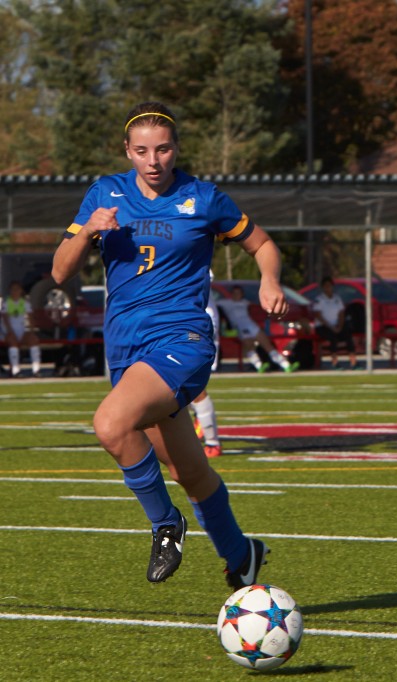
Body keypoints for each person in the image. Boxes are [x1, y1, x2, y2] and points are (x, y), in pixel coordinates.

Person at [51, 101, 278, 589]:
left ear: (176, 149)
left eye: (163, 149)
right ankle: (242, 556)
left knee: (111, 424)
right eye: (142, 151)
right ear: (127, 152)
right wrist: (89, 229)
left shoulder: (203, 197)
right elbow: (60, 271)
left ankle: (165, 525)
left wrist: (271, 282)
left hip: (182, 339)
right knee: (189, 471)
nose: (153, 160)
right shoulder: (104, 193)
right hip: (126, 348)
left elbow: (262, 243)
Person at [218, 284, 299, 373]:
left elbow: (257, 310)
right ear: (231, 294)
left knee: (267, 344)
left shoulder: (246, 302)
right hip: (240, 328)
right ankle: (259, 365)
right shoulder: (225, 303)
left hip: (252, 326)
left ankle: (285, 365)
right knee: (249, 345)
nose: (237, 295)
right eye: (235, 293)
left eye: (239, 293)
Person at [191, 273, 222, 458]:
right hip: (179, 323)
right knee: (169, 384)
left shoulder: (196, 256)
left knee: (193, 384)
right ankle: (199, 420)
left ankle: (212, 442)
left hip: (197, 324)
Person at [312, 276, 357, 370]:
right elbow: (318, 315)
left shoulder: (337, 299)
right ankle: (335, 362)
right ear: (323, 287)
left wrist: (340, 326)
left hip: (336, 326)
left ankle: (353, 362)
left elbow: (341, 313)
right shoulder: (319, 300)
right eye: (325, 286)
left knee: (348, 335)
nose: (328, 288)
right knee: (333, 337)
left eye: (329, 286)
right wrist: (331, 327)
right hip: (323, 327)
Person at [1, 281, 43, 377]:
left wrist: (31, 331)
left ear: (21, 291)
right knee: (13, 342)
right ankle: (15, 370)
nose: (15, 292)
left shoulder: (24, 303)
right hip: (7, 331)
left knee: (33, 340)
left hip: (21, 330)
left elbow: (30, 318)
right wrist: (10, 332)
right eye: (13, 290)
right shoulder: (7, 303)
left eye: (17, 289)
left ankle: (36, 369)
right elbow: (5, 319)